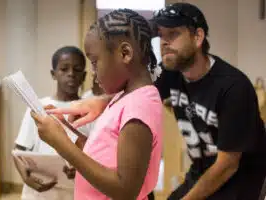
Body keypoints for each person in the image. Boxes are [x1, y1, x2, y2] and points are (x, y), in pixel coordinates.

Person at [48, 3, 266, 200]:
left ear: (198, 37)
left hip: (241, 177)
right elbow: (138, 93)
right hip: (201, 169)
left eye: (173, 34)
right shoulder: (172, 75)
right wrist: (102, 102)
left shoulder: (233, 86)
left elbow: (227, 165)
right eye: (161, 35)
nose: (164, 43)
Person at [31, 9, 163, 200]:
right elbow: (107, 154)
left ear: (125, 54)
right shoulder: (124, 98)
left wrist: (62, 144)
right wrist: (67, 133)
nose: (92, 72)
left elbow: (125, 190)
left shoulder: (139, 107)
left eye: (94, 62)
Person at [13, 46, 91, 200]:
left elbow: (95, 156)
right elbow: (18, 151)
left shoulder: (90, 110)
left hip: (74, 193)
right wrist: (25, 177)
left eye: (77, 69)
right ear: (53, 74)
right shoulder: (37, 107)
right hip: (38, 193)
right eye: (64, 69)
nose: (71, 74)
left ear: (84, 76)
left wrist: (82, 168)